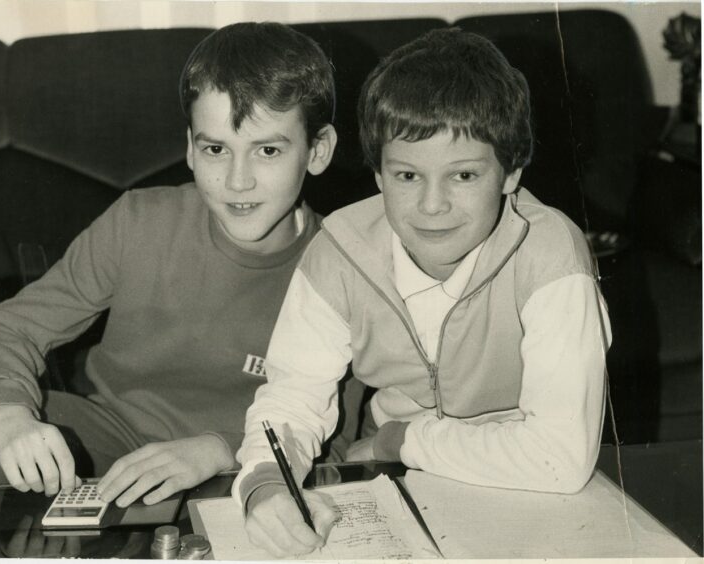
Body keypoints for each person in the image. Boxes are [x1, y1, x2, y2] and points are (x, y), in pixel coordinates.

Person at [0, 21, 353, 510]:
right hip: (114, 435)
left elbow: (340, 435)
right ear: (189, 149)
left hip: (251, 458)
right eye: (215, 148)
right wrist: (9, 413)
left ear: (318, 150)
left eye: (267, 150)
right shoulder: (139, 220)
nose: (238, 181)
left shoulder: (346, 262)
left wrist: (222, 449)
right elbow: (12, 327)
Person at [232, 27, 612, 557]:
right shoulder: (339, 251)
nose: (432, 206)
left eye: (462, 176)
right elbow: (292, 398)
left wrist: (404, 439)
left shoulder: (552, 257)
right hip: (399, 482)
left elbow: (559, 459)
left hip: (534, 493)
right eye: (407, 174)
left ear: (510, 174)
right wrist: (266, 484)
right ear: (379, 175)